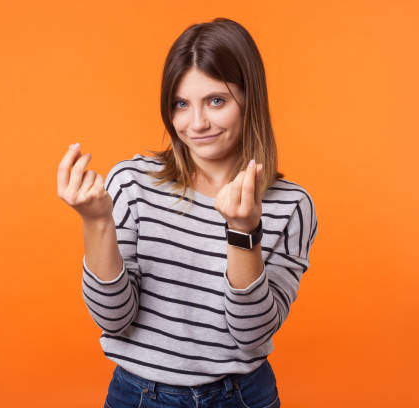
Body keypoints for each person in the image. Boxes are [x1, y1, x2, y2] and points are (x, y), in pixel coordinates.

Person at [57, 17, 317, 408]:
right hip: (139, 395)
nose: (196, 124)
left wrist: (244, 232)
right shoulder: (132, 183)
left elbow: (250, 333)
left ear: (250, 100)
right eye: (181, 104)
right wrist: (96, 222)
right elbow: (113, 319)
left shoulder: (290, 205)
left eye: (216, 100)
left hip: (241, 397)